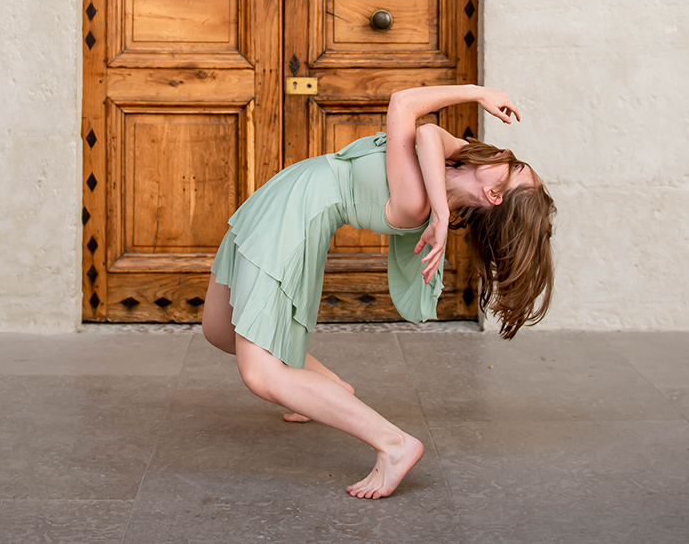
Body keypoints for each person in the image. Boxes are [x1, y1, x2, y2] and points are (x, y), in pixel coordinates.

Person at [201, 83, 556, 499]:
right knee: (219, 328)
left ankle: (394, 443)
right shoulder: (451, 163)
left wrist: (439, 211)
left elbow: (403, 104)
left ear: (493, 194)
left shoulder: (415, 202)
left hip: (294, 217)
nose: (508, 155)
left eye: (514, 168)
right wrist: (477, 96)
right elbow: (427, 133)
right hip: (284, 198)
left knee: (261, 375)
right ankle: (327, 390)